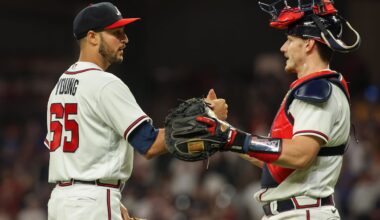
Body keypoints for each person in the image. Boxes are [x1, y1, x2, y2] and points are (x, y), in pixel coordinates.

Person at [43, 2, 227, 220]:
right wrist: (206, 117)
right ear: (92, 37)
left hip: (61, 201)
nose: (125, 39)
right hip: (92, 202)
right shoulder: (105, 84)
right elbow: (148, 144)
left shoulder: (60, 87)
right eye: (116, 33)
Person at [193, 0, 361, 219]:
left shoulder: (318, 89)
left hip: (303, 212)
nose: (283, 48)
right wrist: (224, 134)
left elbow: (301, 154)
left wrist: (233, 137)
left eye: (290, 40)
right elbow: (275, 157)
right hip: (295, 211)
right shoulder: (314, 87)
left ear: (309, 44)